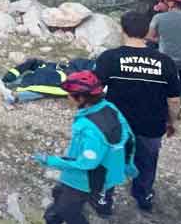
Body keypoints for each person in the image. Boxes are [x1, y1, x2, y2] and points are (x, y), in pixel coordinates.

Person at [95, 11, 181, 214]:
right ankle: (144, 197)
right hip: (151, 124)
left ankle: (104, 201)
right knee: (147, 162)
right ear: (146, 33)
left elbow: (94, 90)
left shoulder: (110, 58)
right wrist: (172, 122)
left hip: (116, 124)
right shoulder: (165, 61)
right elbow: (174, 99)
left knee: (109, 161)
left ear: (122, 29)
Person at [31, 71, 137, 224]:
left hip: (85, 179)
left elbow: (87, 164)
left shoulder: (88, 127)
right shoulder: (109, 107)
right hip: (110, 170)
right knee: (61, 195)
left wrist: (50, 161)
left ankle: (59, 215)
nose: (67, 98)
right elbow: (129, 137)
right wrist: (128, 164)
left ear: (81, 98)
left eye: (69, 95)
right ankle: (56, 216)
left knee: (69, 211)